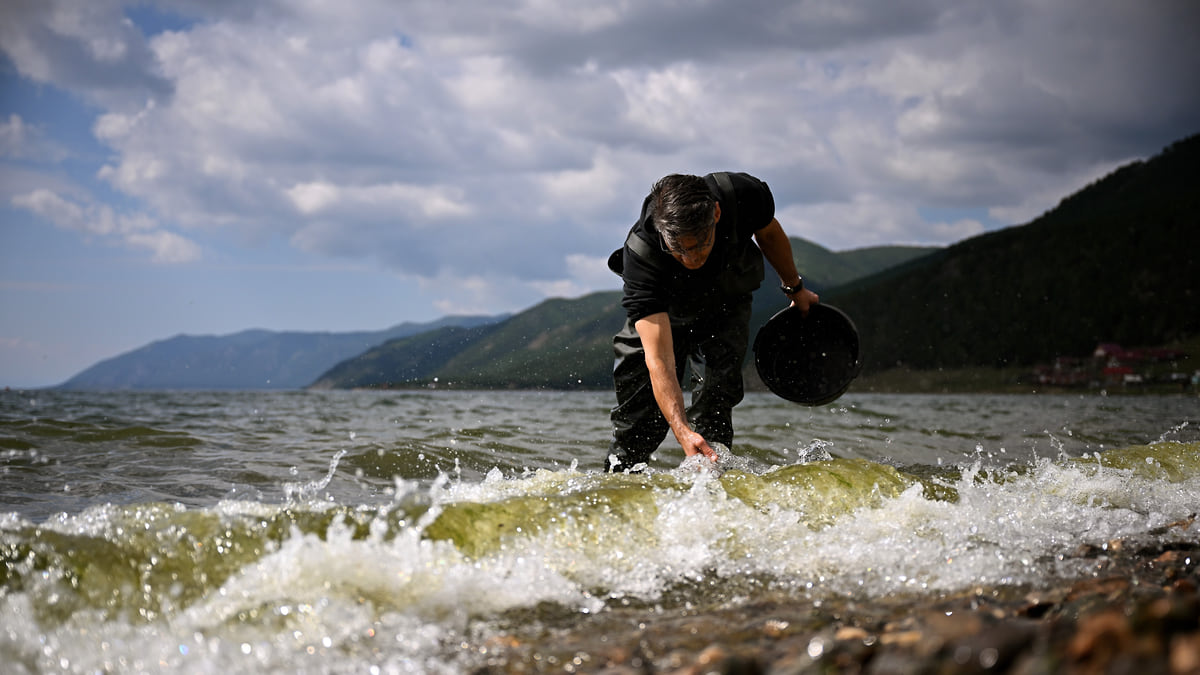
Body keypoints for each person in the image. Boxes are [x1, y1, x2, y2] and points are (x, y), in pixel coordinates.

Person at [605, 172, 819, 472]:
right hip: (664, 312)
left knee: (714, 410)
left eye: (700, 245)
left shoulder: (742, 194)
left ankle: (714, 499)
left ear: (716, 214)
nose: (691, 258)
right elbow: (660, 360)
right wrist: (681, 431)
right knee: (638, 425)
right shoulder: (641, 255)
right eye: (679, 249)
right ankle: (620, 490)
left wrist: (795, 289)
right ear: (663, 233)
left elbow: (768, 234)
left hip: (726, 306)